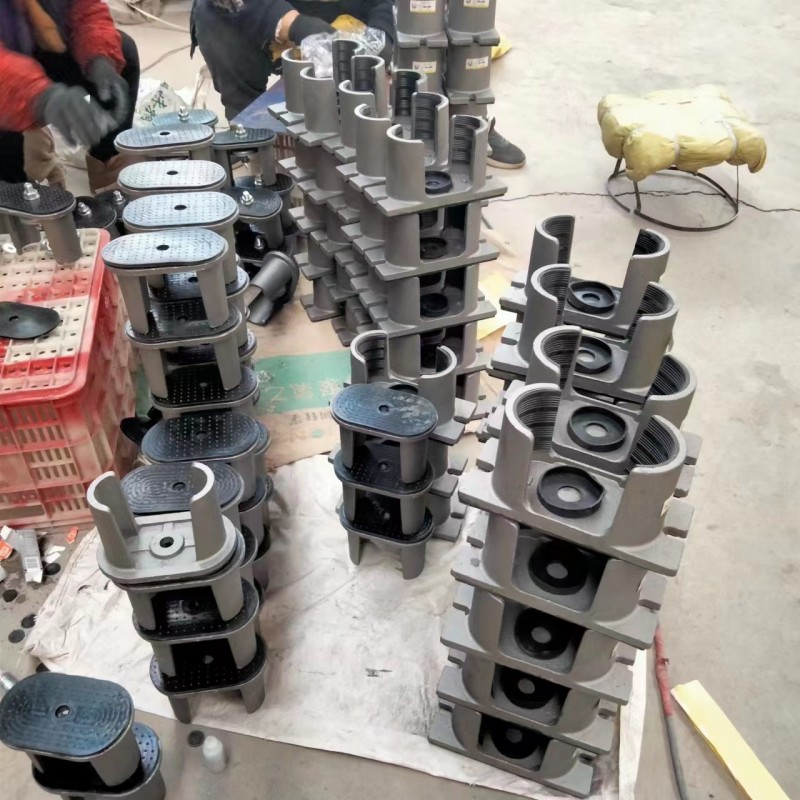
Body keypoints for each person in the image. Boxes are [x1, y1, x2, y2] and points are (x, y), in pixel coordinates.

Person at [192, 0, 526, 169]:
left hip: (360, 5)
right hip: (282, 7)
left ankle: (459, 119)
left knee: (434, 14)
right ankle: (247, 130)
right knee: (210, 11)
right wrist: (296, 25)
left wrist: (385, 33)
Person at [0, 0, 140, 192]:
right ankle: (14, 195)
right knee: (6, 138)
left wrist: (99, 58)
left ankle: (108, 167)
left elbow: (86, 10)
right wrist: (40, 96)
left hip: (30, 44)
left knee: (124, 51)